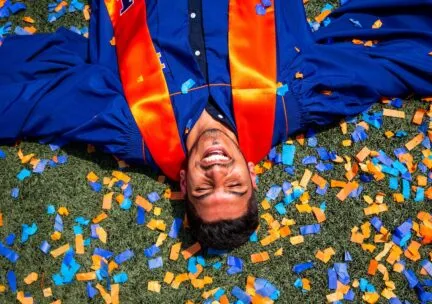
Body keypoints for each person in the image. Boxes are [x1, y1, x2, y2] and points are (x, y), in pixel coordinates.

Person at [0, 0, 431, 249]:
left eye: (205, 188)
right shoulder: (294, 101)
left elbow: (38, 103)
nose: (218, 170)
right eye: (235, 185)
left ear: (184, 183)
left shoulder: (128, 127)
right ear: (252, 178)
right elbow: (379, 66)